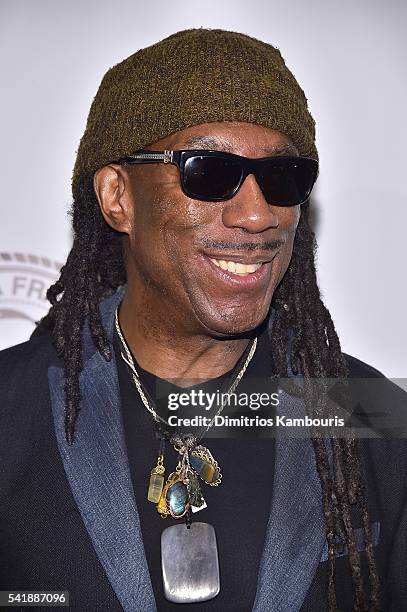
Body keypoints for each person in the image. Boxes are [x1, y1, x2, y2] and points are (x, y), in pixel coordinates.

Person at [0, 28, 406, 612]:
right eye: (209, 171)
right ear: (119, 197)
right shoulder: (11, 408)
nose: (257, 213)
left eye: (283, 178)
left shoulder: (369, 412)